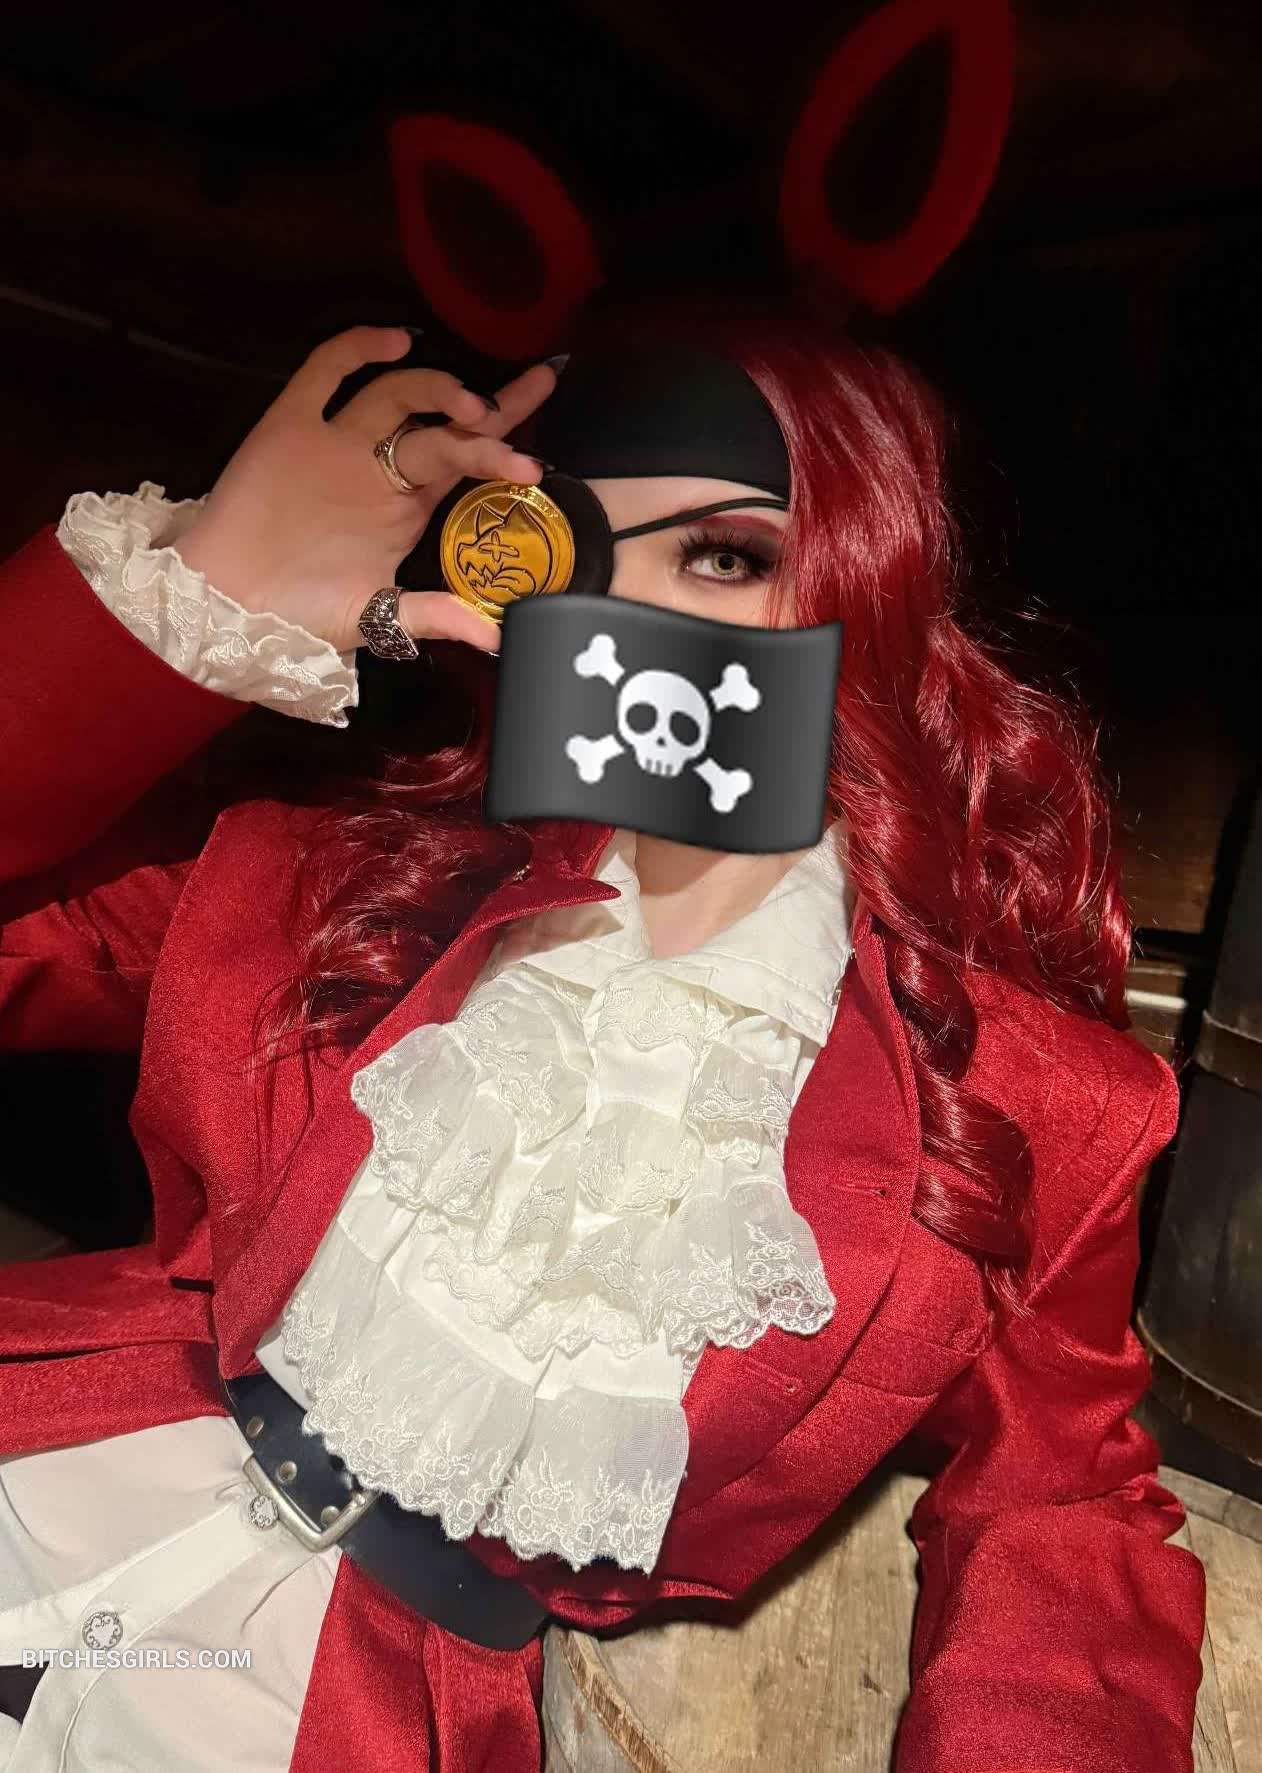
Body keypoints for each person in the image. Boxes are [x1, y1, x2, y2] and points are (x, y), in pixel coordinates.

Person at [0, 306, 1205, 1772]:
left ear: (870, 589)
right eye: (569, 550)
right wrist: (197, 595)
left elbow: (1063, 1508)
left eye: (726, 555)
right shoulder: (331, 882)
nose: (628, 615)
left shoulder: (1032, 1100)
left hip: (332, 1714)